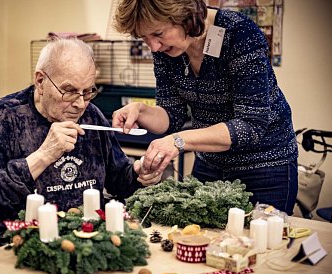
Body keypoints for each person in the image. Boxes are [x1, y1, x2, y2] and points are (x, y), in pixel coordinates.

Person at [112, 0, 298, 215]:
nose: (153, 46)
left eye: (158, 34)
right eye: (144, 38)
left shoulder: (239, 33)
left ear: (187, 16)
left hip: (265, 167)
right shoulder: (165, 50)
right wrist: (141, 110)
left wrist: (179, 141)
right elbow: (172, 115)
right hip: (210, 162)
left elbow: (251, 125)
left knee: (262, 243)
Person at [0, 38, 162, 231]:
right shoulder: (4, 116)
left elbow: (119, 179)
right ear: (40, 81)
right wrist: (43, 156)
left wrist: (139, 174)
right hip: (26, 241)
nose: (80, 104)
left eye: (88, 91)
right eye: (69, 91)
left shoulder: (91, 115)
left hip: (90, 237)